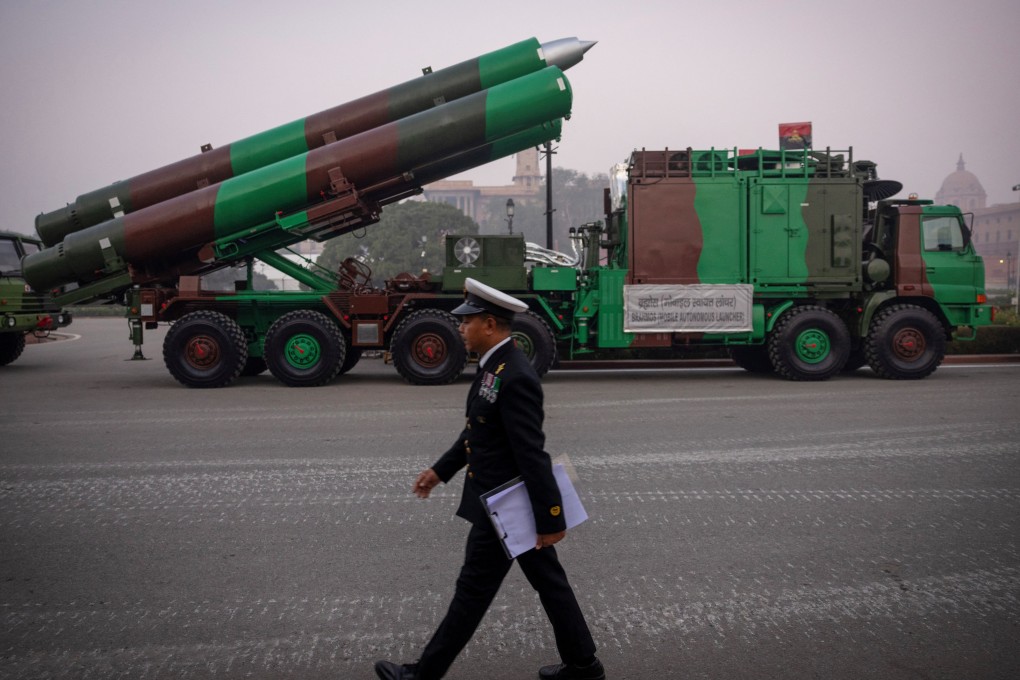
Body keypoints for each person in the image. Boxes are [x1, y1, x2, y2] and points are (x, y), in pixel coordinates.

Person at [374, 278, 605, 680]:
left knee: (472, 592)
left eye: (467, 322)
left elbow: (531, 454)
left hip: (504, 506)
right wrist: (440, 471)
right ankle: (584, 665)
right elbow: (478, 432)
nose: (460, 328)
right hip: (506, 502)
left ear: (490, 325)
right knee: (549, 583)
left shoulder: (515, 375)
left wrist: (552, 518)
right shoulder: (494, 367)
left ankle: (423, 675)